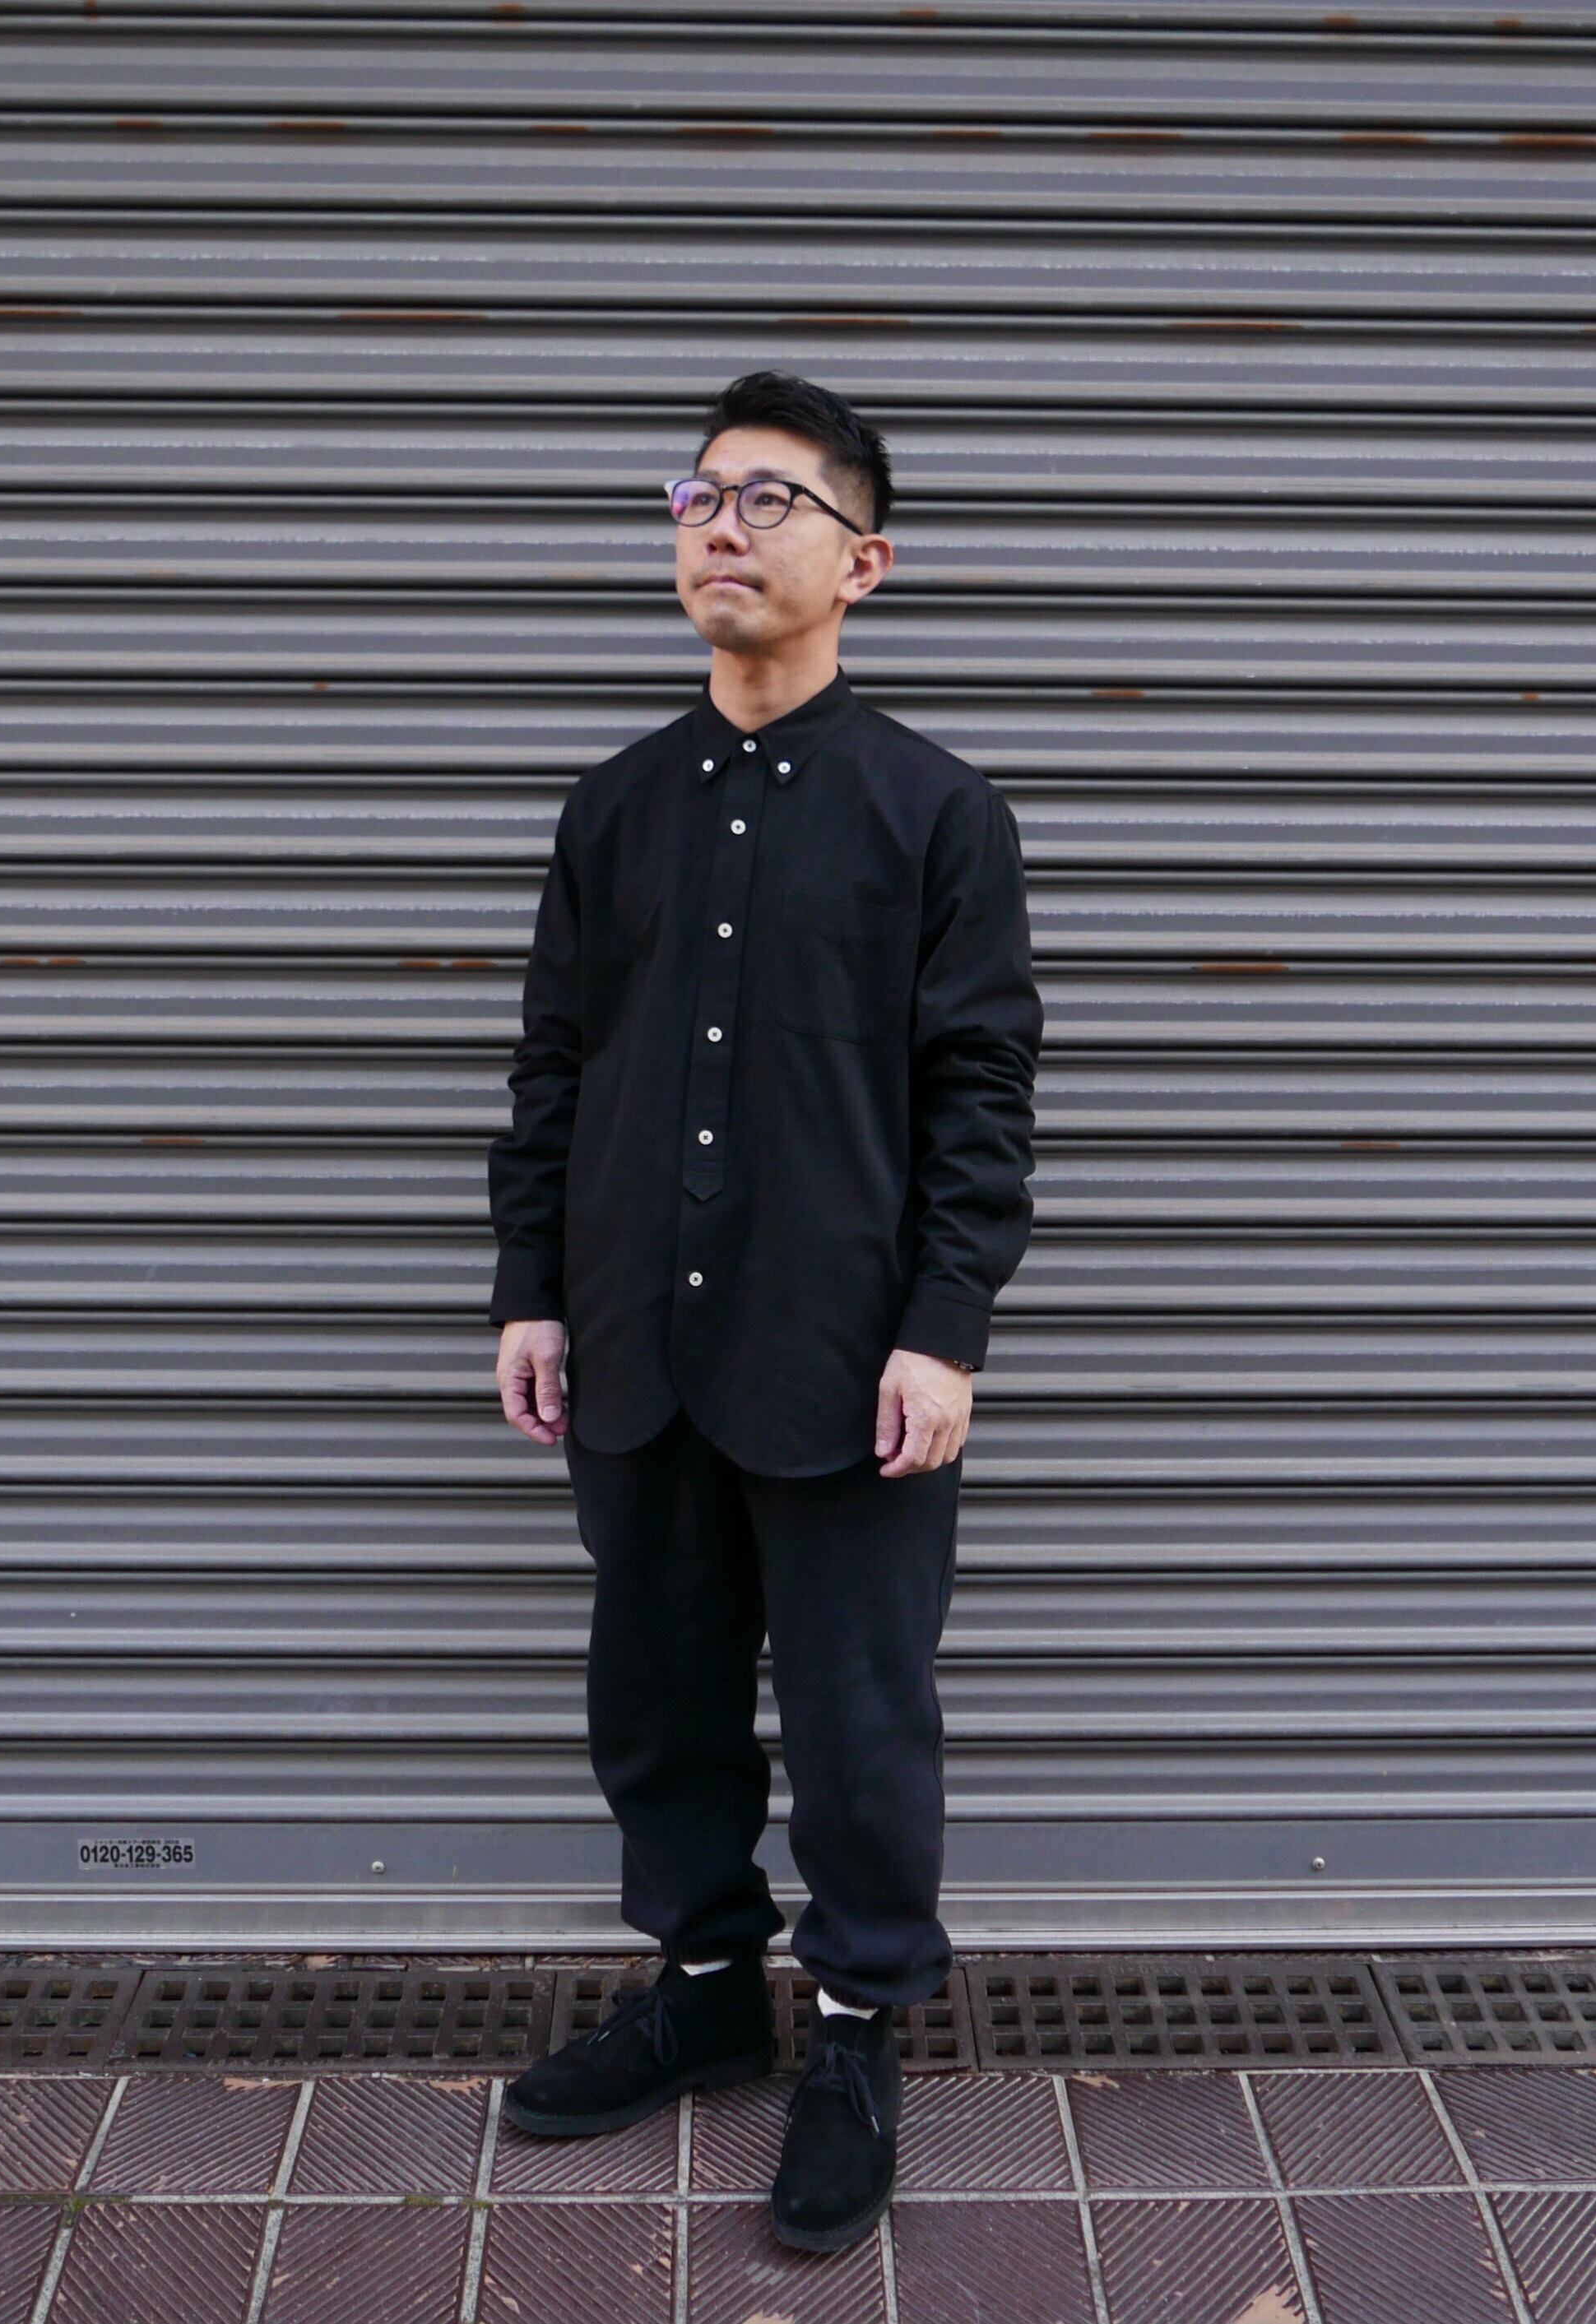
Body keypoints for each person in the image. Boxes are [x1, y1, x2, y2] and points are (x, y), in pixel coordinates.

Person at [483, 369, 1042, 2252]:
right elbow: (553, 1072)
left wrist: (944, 1327)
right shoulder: (615, 809)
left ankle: (860, 2038)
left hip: (845, 1358)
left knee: (863, 1721)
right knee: (655, 1701)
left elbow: (982, 1096)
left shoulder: (935, 815)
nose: (720, 526)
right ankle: (709, 1994)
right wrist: (532, 1292)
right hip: (636, 1344)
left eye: (770, 500)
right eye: (698, 495)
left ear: (863, 564)